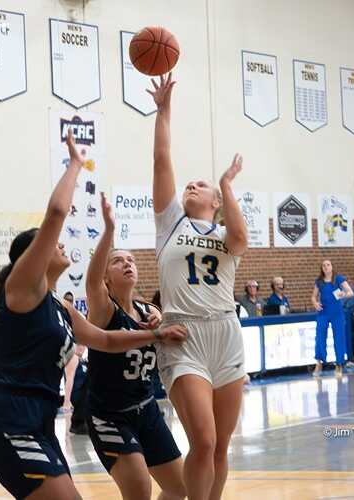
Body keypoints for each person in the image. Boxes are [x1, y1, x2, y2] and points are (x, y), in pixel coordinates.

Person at [0, 130, 188, 500]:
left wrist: (155, 335)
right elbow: (57, 213)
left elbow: (105, 340)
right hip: (9, 418)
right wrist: (76, 164)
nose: (59, 244)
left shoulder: (60, 307)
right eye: (51, 243)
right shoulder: (21, 289)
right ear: (31, 257)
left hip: (39, 419)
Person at [148, 72, 249, 500]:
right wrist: (163, 110)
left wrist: (226, 183)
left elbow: (241, 240)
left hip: (225, 332)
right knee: (203, 441)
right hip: (183, 334)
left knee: (221, 447)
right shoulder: (170, 223)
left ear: (216, 202)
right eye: (190, 183)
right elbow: (162, 159)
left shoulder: (227, 235)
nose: (191, 184)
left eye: (201, 183)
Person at [84, 191, 186, 500]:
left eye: (130, 260)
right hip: (109, 414)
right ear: (107, 277)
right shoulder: (103, 310)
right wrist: (109, 233)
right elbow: (91, 282)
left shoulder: (149, 313)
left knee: (179, 488)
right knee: (139, 489)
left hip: (147, 409)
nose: (127, 264)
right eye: (118, 261)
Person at [311, 260, 354, 377]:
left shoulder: (339, 279)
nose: (326, 267)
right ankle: (319, 362)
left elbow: (350, 292)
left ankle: (339, 364)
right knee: (320, 337)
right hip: (323, 312)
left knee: (339, 337)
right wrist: (315, 303)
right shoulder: (319, 281)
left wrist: (342, 294)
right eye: (323, 265)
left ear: (332, 267)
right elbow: (313, 297)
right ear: (322, 268)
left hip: (337, 312)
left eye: (328, 265)